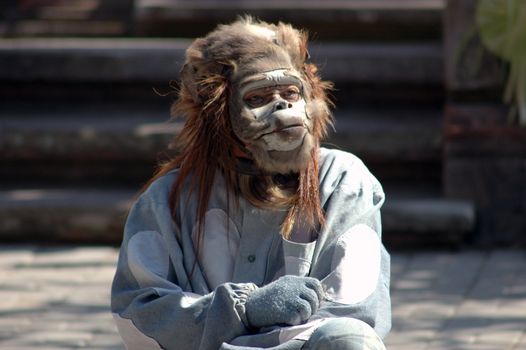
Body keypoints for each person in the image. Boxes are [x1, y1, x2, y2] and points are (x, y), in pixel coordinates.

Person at [111, 17, 391, 350]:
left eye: (290, 93)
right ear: (218, 114)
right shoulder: (166, 200)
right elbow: (138, 316)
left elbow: (355, 310)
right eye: (258, 97)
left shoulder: (343, 181)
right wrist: (242, 310)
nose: (282, 106)